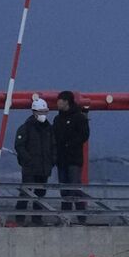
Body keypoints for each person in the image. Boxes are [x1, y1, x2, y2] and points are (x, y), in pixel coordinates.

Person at [12, 96, 55, 225]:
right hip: (30, 168)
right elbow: (19, 146)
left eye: (45, 112)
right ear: (34, 112)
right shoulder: (25, 128)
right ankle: (20, 218)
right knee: (26, 193)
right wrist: (28, 160)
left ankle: (37, 219)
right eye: (41, 112)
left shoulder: (49, 129)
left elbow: (54, 146)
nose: (43, 115)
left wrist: (52, 160)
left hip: (44, 168)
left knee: (40, 195)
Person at [52, 90, 90, 219]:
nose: (57, 103)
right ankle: (65, 217)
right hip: (61, 159)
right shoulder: (57, 119)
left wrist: (70, 144)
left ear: (66, 102)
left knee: (74, 187)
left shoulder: (78, 117)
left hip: (74, 158)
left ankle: (81, 216)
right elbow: (54, 136)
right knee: (64, 190)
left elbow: (84, 135)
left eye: (59, 101)